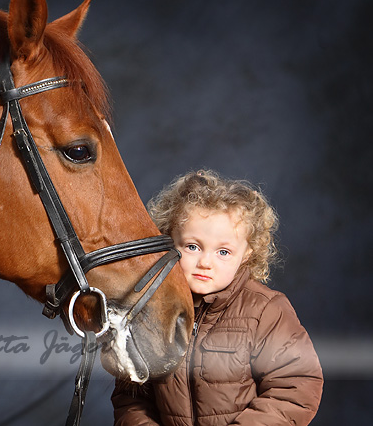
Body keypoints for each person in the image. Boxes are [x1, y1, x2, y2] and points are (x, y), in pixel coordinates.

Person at [112, 170, 323, 426]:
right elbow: (131, 397)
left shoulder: (266, 310)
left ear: (246, 254)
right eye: (192, 246)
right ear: (170, 242)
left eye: (223, 251)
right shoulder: (149, 310)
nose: (205, 263)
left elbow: (295, 390)